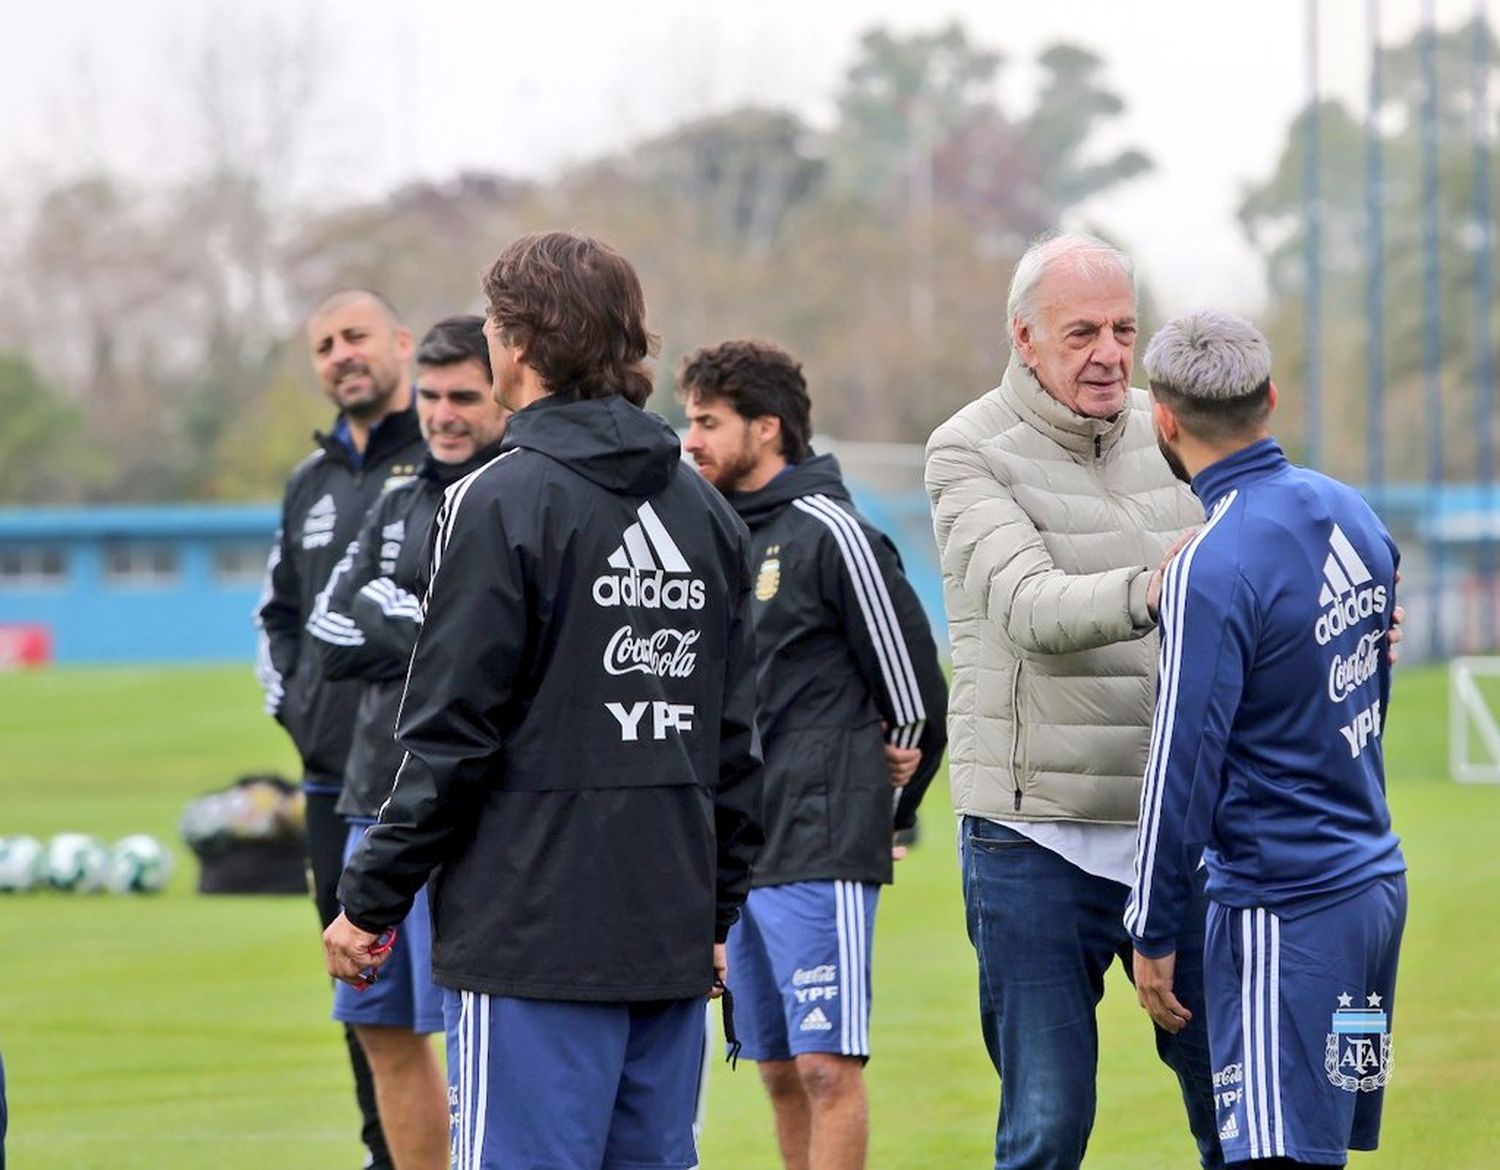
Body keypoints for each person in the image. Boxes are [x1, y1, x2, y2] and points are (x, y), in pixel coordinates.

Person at [323, 231, 764, 1170]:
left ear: (518, 346)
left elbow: (451, 735)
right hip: (667, 932)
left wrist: (369, 899)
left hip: (532, 937)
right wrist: (715, 916)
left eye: (491, 326)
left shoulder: (496, 500)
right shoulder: (707, 514)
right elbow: (736, 748)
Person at [924, 233, 1221, 1170]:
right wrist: (1155, 586)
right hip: (1033, 841)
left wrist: (1346, 605)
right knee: (1048, 1129)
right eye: (1082, 331)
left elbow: (1256, 556)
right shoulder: (963, 450)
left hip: (1170, 832)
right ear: (1025, 338)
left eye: (1125, 329)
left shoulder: (1169, 425)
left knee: (1235, 1099)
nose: (1109, 353)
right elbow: (1027, 608)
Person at [1126, 310, 1405, 1168]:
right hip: (1372, 892)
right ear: (1271, 399)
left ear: (1164, 420)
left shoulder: (1211, 564)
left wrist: (1151, 927)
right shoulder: (1347, 509)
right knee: (1312, 1151)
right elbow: (1368, 683)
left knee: (1276, 1157)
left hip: (1285, 906)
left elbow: (1182, 764)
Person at [680, 340, 948, 1170]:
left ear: (767, 428)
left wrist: (892, 789)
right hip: (737, 851)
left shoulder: (834, 531)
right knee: (774, 1070)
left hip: (820, 841)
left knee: (827, 1068)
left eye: (707, 422)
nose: (690, 439)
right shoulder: (710, 534)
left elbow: (914, 692)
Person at [307, 315, 511, 1170]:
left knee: (470, 1029)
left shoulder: (515, 498)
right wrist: (430, 634)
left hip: (465, 813)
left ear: (504, 393)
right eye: (430, 396)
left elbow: (493, 651)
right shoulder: (398, 496)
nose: (443, 414)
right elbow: (326, 627)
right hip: (368, 796)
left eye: (465, 396)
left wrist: (394, 617)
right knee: (382, 1029)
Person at [255, 288, 425, 1170]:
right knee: (363, 989)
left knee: (459, 990)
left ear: (400, 341)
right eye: (323, 345)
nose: (341, 355)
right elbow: (276, 617)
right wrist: (301, 718)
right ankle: (382, 1153)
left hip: (433, 775)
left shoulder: (446, 457)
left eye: (355, 335)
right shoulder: (309, 481)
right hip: (333, 780)